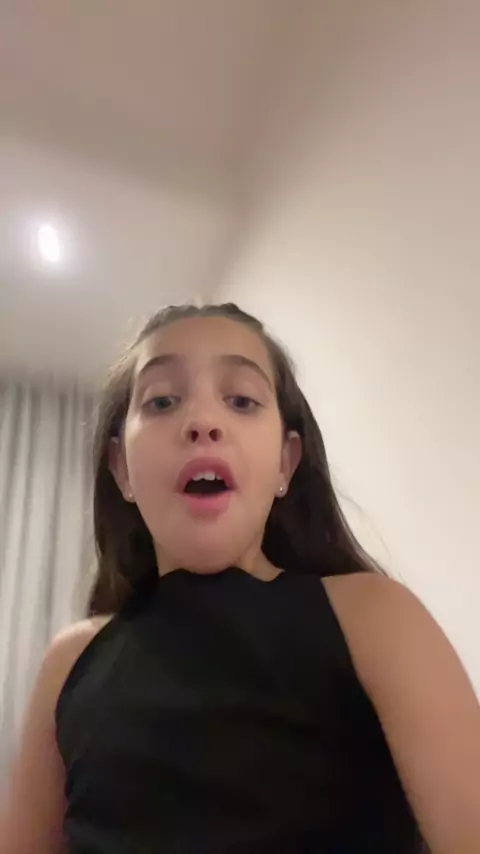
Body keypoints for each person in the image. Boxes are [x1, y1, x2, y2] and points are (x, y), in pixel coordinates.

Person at [1, 303, 479, 854]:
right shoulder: (70, 662)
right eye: (162, 401)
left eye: (242, 400)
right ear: (121, 469)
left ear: (285, 463)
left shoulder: (375, 618)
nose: (203, 421)